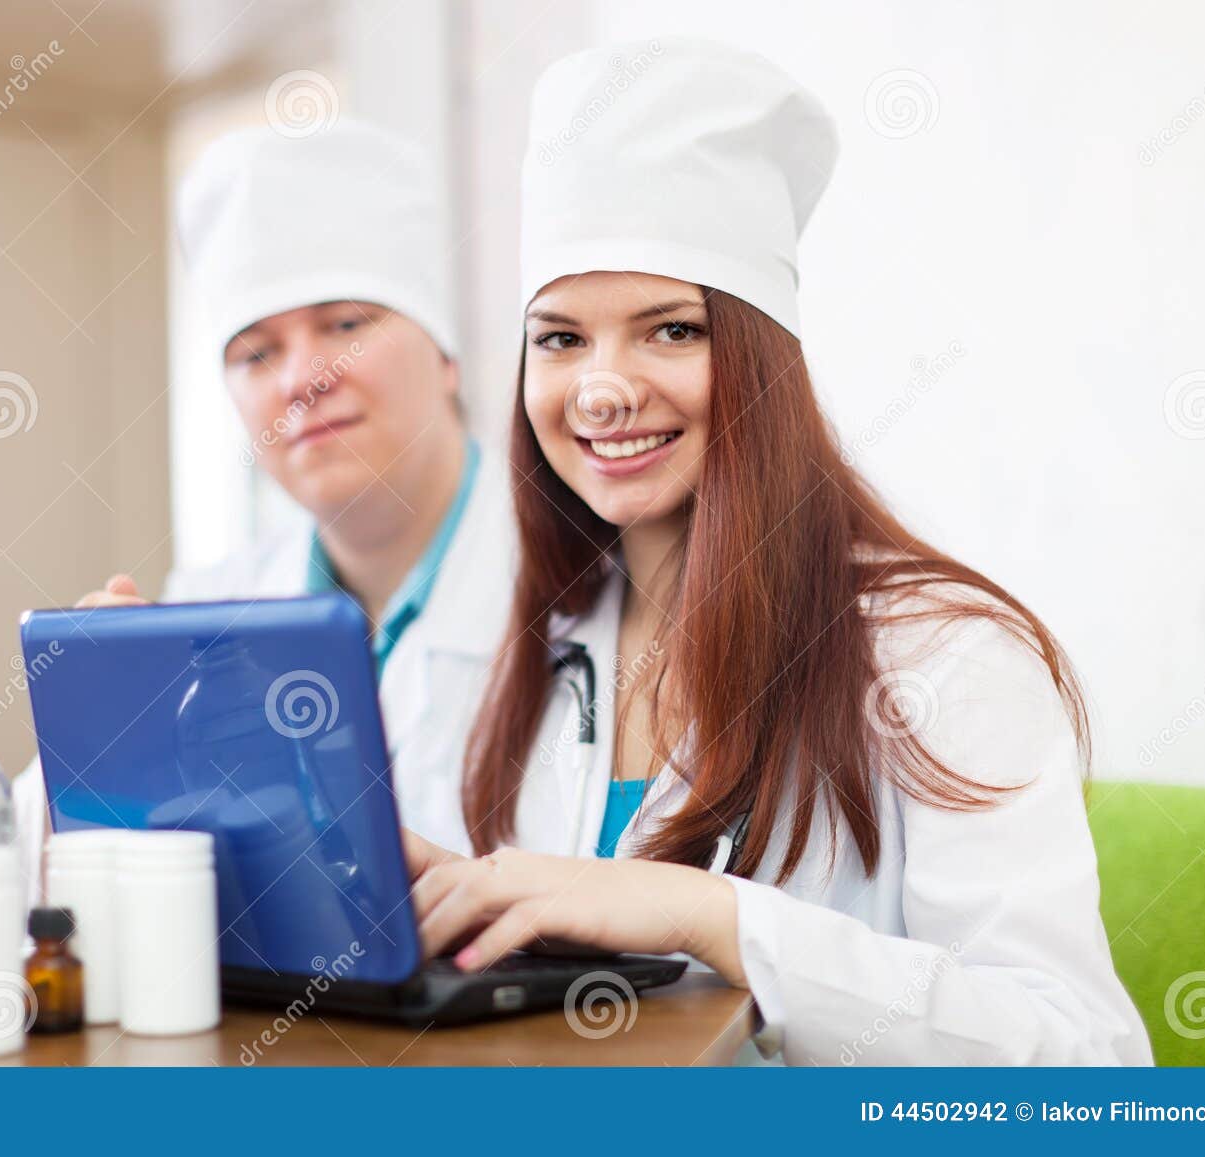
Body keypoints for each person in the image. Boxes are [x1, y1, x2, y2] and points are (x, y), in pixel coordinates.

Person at [405, 39, 1151, 1066]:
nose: (601, 387)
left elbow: (1089, 1067)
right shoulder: (546, 640)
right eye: (560, 337)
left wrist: (714, 917)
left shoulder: (943, 655)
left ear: (763, 360)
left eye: (669, 330)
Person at [13, 120, 513, 902]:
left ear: (446, 356)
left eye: (345, 324)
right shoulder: (205, 605)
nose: (302, 379)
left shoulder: (593, 580)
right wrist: (97, 753)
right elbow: (51, 886)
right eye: (255, 353)